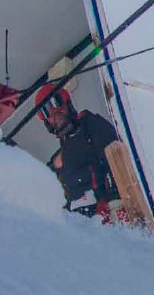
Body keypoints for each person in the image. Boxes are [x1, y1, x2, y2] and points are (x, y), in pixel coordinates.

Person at [34, 82, 125, 220]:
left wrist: (114, 201)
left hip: (108, 212)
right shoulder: (59, 158)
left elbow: (114, 159)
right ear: (46, 121)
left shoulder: (90, 125)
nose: (54, 111)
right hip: (82, 223)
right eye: (47, 110)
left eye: (57, 101)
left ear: (67, 103)